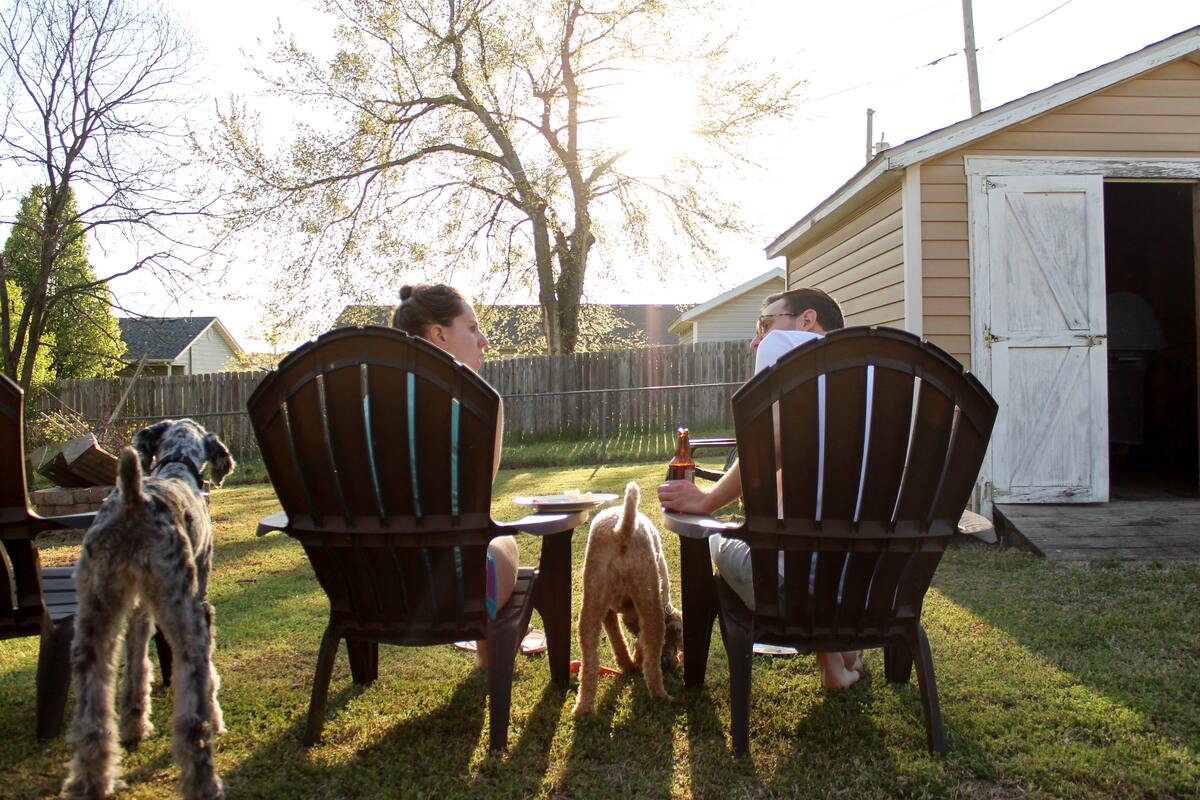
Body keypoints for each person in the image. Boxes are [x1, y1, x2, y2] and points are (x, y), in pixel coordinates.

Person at [657, 287, 863, 690]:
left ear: (807, 321)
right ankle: (838, 653)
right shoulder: (876, 376)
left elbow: (771, 447)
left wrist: (708, 500)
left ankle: (834, 661)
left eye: (764, 325)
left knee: (715, 537)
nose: (757, 340)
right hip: (871, 584)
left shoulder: (785, 347)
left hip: (789, 590)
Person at [391, 283, 519, 668]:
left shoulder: (364, 406)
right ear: (438, 334)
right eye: (472, 327)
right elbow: (477, 504)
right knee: (504, 540)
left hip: (374, 590)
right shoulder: (479, 405)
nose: (483, 339)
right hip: (456, 595)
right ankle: (488, 657)